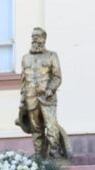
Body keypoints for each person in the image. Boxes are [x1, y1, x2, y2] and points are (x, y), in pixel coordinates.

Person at [15, 27, 71, 159]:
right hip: (30, 98)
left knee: (51, 125)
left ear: (44, 39)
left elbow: (57, 77)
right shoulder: (25, 58)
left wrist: (50, 89)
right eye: (33, 36)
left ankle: (55, 152)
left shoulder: (52, 56)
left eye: (38, 36)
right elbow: (24, 81)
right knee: (36, 129)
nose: (34, 39)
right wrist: (23, 100)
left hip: (47, 97)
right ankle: (39, 154)